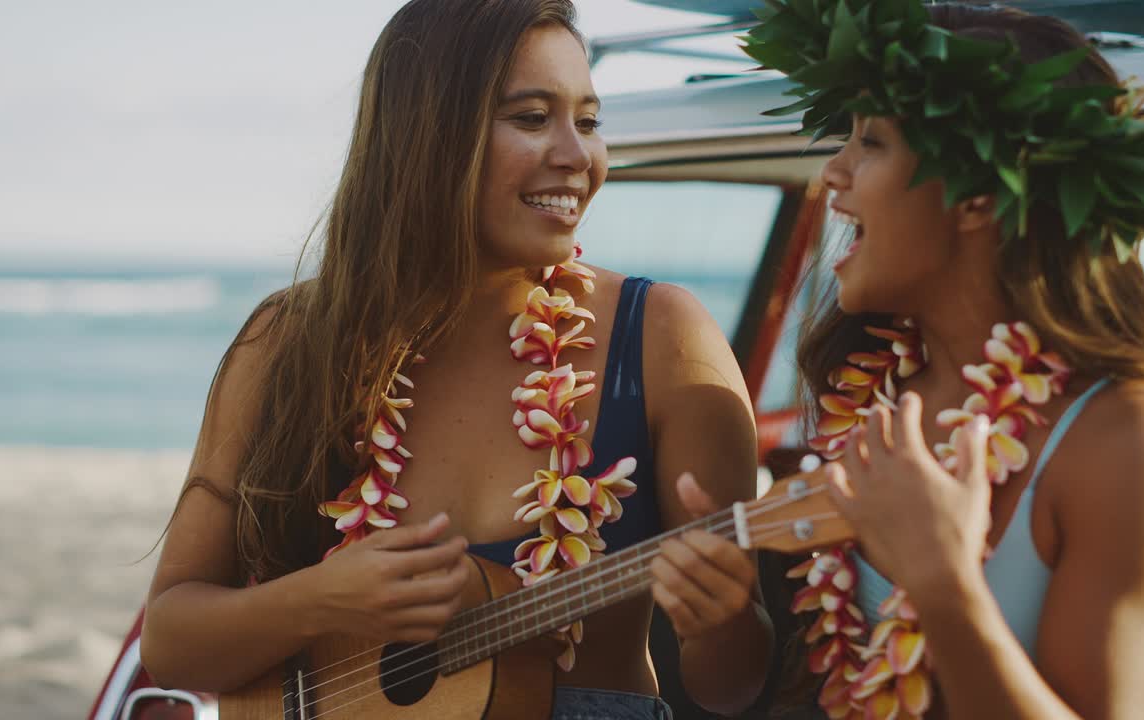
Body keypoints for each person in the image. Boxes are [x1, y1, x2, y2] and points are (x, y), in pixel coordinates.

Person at [139, 1, 774, 717]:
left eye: (589, 121)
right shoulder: (288, 342)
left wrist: (721, 618)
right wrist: (319, 600)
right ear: (427, 135)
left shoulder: (663, 339)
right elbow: (171, 642)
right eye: (532, 118)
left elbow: (734, 686)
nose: (578, 155)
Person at [743, 2, 1144, 718]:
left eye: (871, 142)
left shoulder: (1128, 435)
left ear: (977, 195)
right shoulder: (876, 398)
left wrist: (944, 583)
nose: (834, 172)